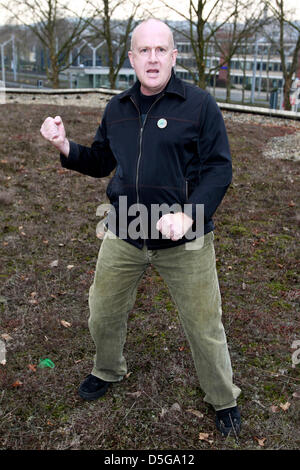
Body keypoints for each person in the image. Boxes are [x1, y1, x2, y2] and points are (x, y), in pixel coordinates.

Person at [40, 18, 241, 437]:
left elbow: (219, 170)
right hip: (125, 231)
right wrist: (63, 146)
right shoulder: (116, 109)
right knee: (103, 312)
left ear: (174, 55)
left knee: (205, 326)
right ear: (131, 58)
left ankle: (223, 398)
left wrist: (189, 214)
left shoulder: (199, 105)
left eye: (160, 50)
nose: (152, 58)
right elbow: (99, 161)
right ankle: (109, 370)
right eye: (143, 51)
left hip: (185, 241)